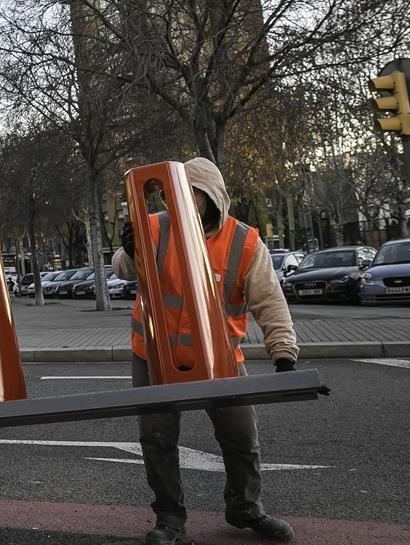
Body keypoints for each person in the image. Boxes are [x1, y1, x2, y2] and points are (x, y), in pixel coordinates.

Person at [113, 157, 299, 545]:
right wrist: (129, 250)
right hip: (155, 355)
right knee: (157, 439)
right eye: (169, 194)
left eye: (186, 194)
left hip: (221, 360)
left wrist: (283, 352)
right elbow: (123, 269)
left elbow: (269, 301)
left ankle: (245, 509)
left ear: (210, 196)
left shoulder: (243, 241)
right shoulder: (157, 226)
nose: (173, 202)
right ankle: (170, 519)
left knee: (241, 438)